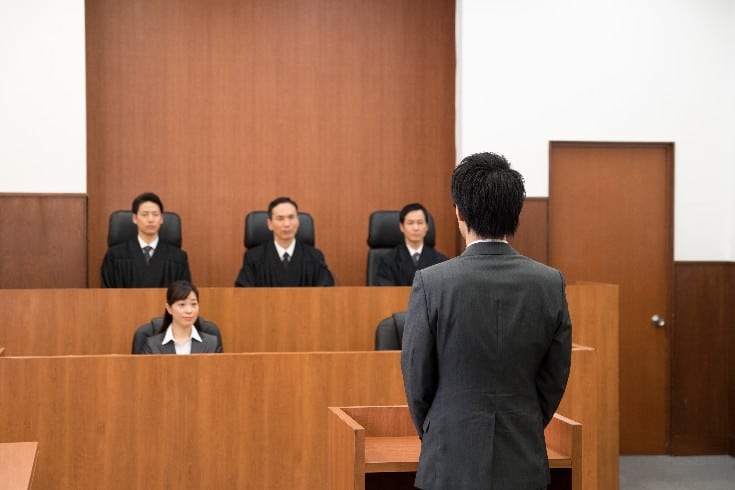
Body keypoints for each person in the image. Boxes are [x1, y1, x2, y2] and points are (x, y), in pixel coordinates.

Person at [400, 152, 572, 489]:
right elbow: (554, 376)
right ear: (515, 212)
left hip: (449, 457)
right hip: (523, 454)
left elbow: (417, 378)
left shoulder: (431, 282)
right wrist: (525, 420)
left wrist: (438, 430)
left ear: (459, 213)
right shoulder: (549, 283)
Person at [234, 197, 335, 287]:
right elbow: (244, 294)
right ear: (270, 224)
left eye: (291, 217)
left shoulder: (315, 257)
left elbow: (326, 293)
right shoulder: (253, 258)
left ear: (298, 221)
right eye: (280, 218)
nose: (287, 224)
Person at [100, 192, 191, 288]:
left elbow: (184, 294)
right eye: (144, 214)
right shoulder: (114, 256)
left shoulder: (178, 258)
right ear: (135, 218)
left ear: (161, 219)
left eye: (155, 214)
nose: (150, 219)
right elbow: (107, 294)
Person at [375, 203, 448, 286]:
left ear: (427, 226)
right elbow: (386, 291)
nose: (415, 228)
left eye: (420, 223)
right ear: (402, 227)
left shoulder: (441, 262)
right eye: (410, 223)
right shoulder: (388, 261)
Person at [143, 280, 222, 354]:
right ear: (169, 308)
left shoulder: (212, 344)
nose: (189, 311)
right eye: (182, 305)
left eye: (193, 304)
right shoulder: (152, 345)